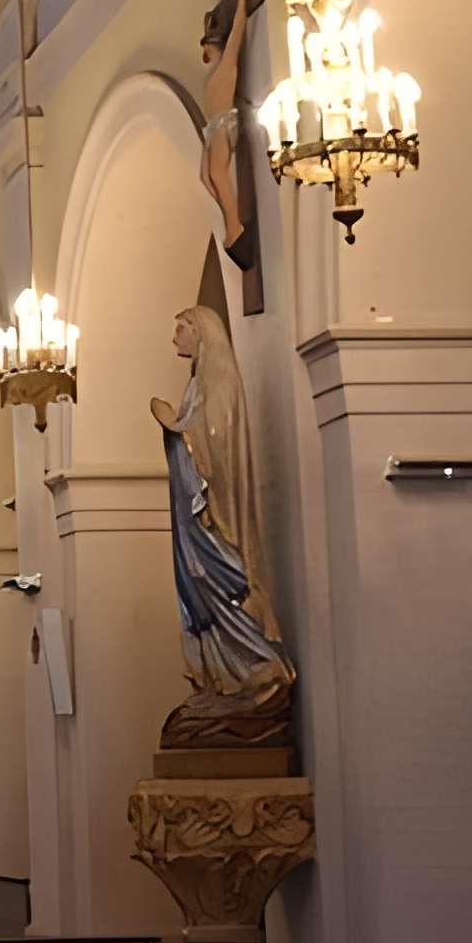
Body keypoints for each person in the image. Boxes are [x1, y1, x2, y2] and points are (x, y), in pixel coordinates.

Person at [152, 305, 294, 745]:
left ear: (202, 334)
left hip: (217, 519)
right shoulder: (197, 385)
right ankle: (224, 682)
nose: (175, 337)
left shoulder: (221, 383)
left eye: (181, 329)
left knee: (226, 586)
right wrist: (176, 427)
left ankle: (260, 673)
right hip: (195, 523)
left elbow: (214, 443)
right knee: (200, 589)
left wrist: (176, 427)